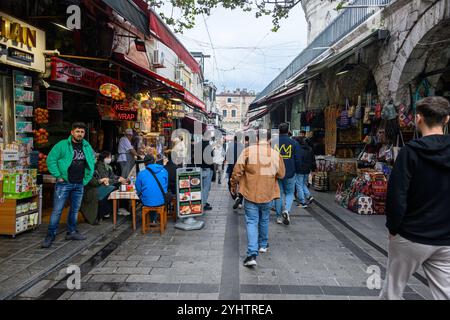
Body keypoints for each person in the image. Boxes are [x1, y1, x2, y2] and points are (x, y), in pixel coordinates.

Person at [380, 96, 450, 300]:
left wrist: (393, 228)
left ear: (418, 118)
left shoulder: (410, 152)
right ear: (446, 120)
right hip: (446, 238)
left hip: (411, 235)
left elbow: (396, 195)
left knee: (393, 291)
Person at [231, 129, 285, 267]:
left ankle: (251, 254)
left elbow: (237, 172)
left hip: (250, 192)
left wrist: (233, 185)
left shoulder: (248, 151)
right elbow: (281, 175)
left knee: (251, 221)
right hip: (268, 193)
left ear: (256, 137)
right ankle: (263, 245)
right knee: (264, 218)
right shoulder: (275, 154)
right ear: (268, 139)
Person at [42, 122, 96, 248]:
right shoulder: (62, 145)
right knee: (57, 211)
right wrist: (58, 176)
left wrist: (86, 179)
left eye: (82, 132)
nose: (80, 134)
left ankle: (71, 232)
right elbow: (51, 159)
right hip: (64, 183)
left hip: (79, 184)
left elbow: (91, 162)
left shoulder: (86, 146)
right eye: (77, 131)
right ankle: (50, 236)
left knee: (74, 210)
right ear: (72, 132)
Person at [272, 123, 301, 225]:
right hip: (290, 172)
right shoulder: (294, 143)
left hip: (277, 172)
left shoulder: (273, 143)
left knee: (278, 194)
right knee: (289, 193)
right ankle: (287, 210)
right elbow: (297, 159)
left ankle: (279, 217)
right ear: (288, 130)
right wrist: (297, 170)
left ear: (278, 131)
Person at [135, 155, 169, 223]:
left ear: (144, 163)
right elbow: (166, 185)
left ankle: (152, 219)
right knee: (161, 195)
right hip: (161, 200)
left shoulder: (141, 173)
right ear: (155, 161)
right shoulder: (164, 170)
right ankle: (154, 218)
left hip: (147, 201)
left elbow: (138, 189)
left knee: (147, 196)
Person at [95, 151, 127, 221]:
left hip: (108, 183)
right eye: (109, 157)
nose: (110, 159)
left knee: (123, 185)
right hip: (102, 185)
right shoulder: (100, 165)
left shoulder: (107, 166)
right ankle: (108, 211)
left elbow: (112, 175)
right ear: (104, 158)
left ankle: (121, 208)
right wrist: (117, 180)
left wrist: (119, 178)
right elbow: (105, 179)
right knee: (116, 187)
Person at [294, 136, 316, 208]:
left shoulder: (298, 149)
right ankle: (309, 196)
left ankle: (303, 202)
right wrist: (313, 169)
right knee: (303, 184)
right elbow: (313, 160)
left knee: (299, 185)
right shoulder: (310, 149)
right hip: (307, 170)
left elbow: (296, 160)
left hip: (299, 169)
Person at [226, 135, 245, 209]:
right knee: (241, 185)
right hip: (241, 169)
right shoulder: (243, 147)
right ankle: (240, 202)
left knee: (230, 184)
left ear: (234, 139)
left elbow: (227, 157)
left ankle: (235, 198)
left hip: (232, 168)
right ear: (241, 139)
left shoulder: (230, 147)